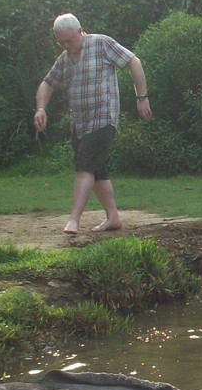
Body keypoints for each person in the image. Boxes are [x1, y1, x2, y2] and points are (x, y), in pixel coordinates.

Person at [33, 13, 152, 235]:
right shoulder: (65, 58)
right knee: (96, 170)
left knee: (85, 165)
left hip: (103, 118)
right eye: (62, 42)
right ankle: (113, 217)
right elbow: (47, 84)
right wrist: (41, 108)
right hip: (79, 123)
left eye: (70, 40)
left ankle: (73, 220)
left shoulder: (102, 43)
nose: (67, 45)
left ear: (80, 31)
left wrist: (141, 98)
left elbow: (133, 61)